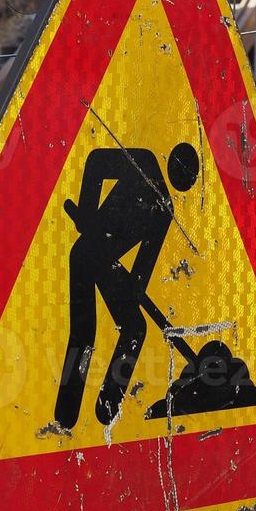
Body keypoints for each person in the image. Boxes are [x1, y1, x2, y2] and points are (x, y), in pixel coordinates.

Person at [54, 142, 200, 429]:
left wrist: (134, 289)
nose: (181, 178)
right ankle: (65, 415)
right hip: (85, 255)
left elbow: (141, 271)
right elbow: (95, 161)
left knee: (135, 328)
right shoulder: (143, 162)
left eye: (188, 177)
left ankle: (107, 405)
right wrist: (88, 208)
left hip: (107, 264)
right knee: (84, 331)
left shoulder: (165, 211)